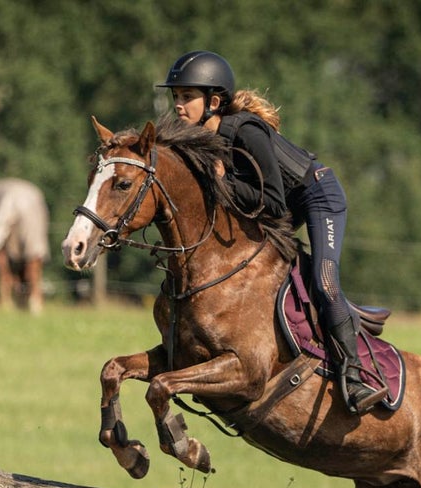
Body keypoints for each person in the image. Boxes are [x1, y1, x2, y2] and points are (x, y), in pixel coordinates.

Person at [156, 50, 387, 415]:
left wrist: (221, 180)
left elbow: (275, 202)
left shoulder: (244, 129)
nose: (179, 106)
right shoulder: (204, 140)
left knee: (325, 282)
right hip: (282, 203)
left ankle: (355, 375)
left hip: (317, 195)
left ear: (214, 102)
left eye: (187, 97)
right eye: (176, 98)